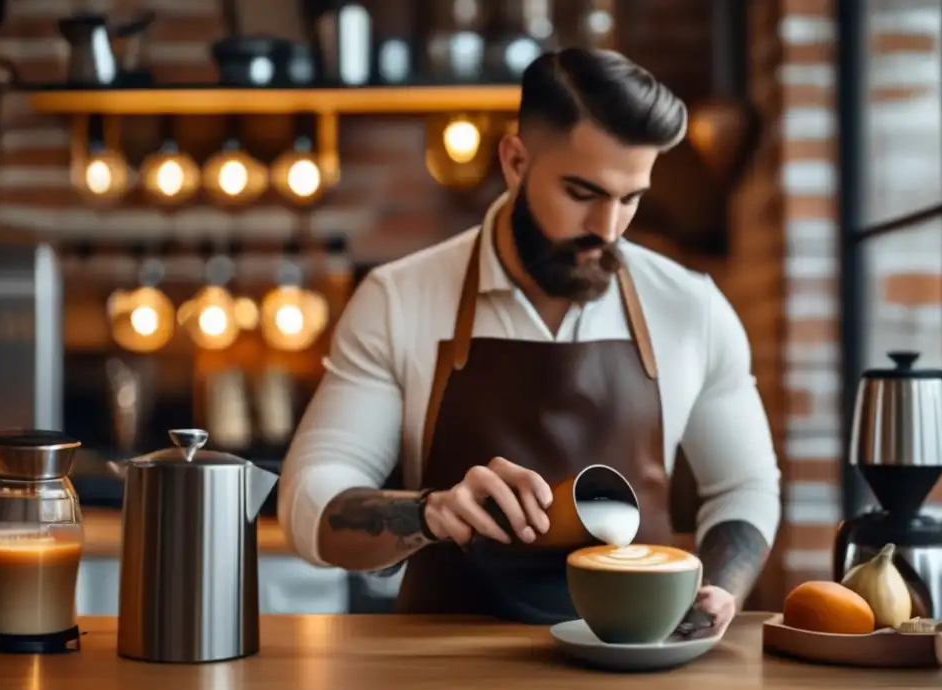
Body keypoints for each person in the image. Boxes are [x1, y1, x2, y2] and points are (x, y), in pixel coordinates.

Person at [278, 48, 781, 633]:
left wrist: (721, 587)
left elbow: (744, 484)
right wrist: (428, 511)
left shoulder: (690, 306)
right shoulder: (398, 298)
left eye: (630, 198)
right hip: (443, 675)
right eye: (582, 192)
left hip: (634, 666)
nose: (608, 228)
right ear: (516, 160)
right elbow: (308, 500)